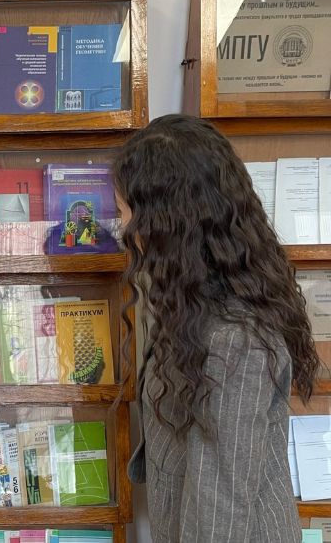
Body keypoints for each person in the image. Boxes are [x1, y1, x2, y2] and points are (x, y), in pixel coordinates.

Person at [116, 114, 319, 542]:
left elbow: (222, 502)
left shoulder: (236, 339)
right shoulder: (189, 298)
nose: (121, 228)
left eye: (125, 212)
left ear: (167, 222)